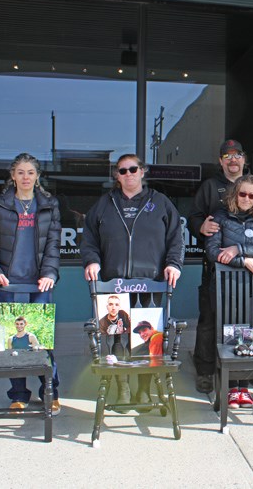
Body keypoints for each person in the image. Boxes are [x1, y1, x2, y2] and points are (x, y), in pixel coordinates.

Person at [81, 153, 184, 410]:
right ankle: (123, 388)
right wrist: (92, 260)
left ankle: (143, 392)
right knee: (117, 339)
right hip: (114, 285)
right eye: (122, 170)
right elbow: (89, 238)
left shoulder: (160, 203)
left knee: (147, 340)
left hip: (149, 283)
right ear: (117, 175)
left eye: (133, 169)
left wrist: (173, 264)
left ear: (143, 171)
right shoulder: (104, 204)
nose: (128, 174)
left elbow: (176, 238)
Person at [188, 139, 253, 394]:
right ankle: (206, 370)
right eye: (227, 156)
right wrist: (200, 227)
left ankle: (251, 366)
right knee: (210, 321)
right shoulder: (210, 187)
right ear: (221, 161)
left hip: (251, 277)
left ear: (244, 159)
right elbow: (194, 217)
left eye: (237, 155)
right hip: (217, 270)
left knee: (251, 321)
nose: (232, 160)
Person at [0, 153, 61, 414]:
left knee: (42, 342)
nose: (26, 177)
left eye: (31, 172)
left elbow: (53, 244)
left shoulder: (49, 204)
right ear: (13, 175)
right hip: (6, 284)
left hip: (39, 284)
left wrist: (49, 273)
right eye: (21, 172)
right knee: (12, 343)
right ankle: (18, 394)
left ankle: (50, 391)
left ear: (38, 177)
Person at [205, 174, 253, 408]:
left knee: (249, 335)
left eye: (252, 195)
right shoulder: (220, 218)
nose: (246, 198)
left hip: (252, 290)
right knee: (227, 336)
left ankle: (242, 389)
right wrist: (244, 261)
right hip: (226, 289)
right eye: (242, 193)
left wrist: (238, 249)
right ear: (235, 194)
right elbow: (213, 251)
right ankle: (227, 387)